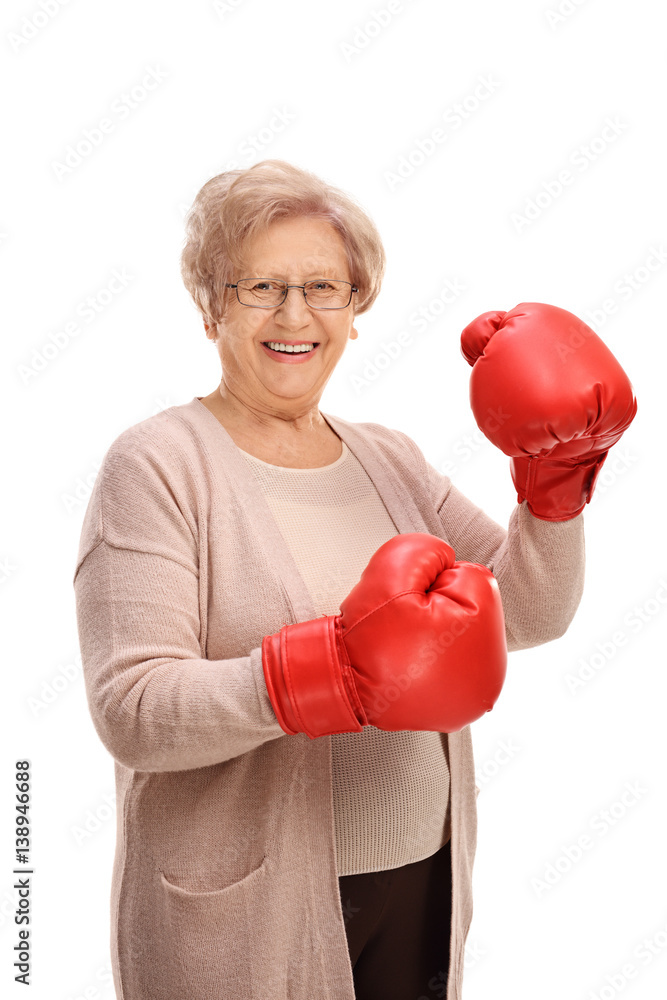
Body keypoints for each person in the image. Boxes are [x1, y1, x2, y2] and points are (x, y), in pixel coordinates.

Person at [72, 159, 636, 1000]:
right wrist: (326, 671)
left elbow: (527, 611)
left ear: (354, 307)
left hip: (421, 883)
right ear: (210, 306)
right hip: (249, 910)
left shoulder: (388, 458)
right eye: (261, 285)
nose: (294, 314)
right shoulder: (156, 465)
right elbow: (135, 711)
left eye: (323, 287)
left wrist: (556, 483)